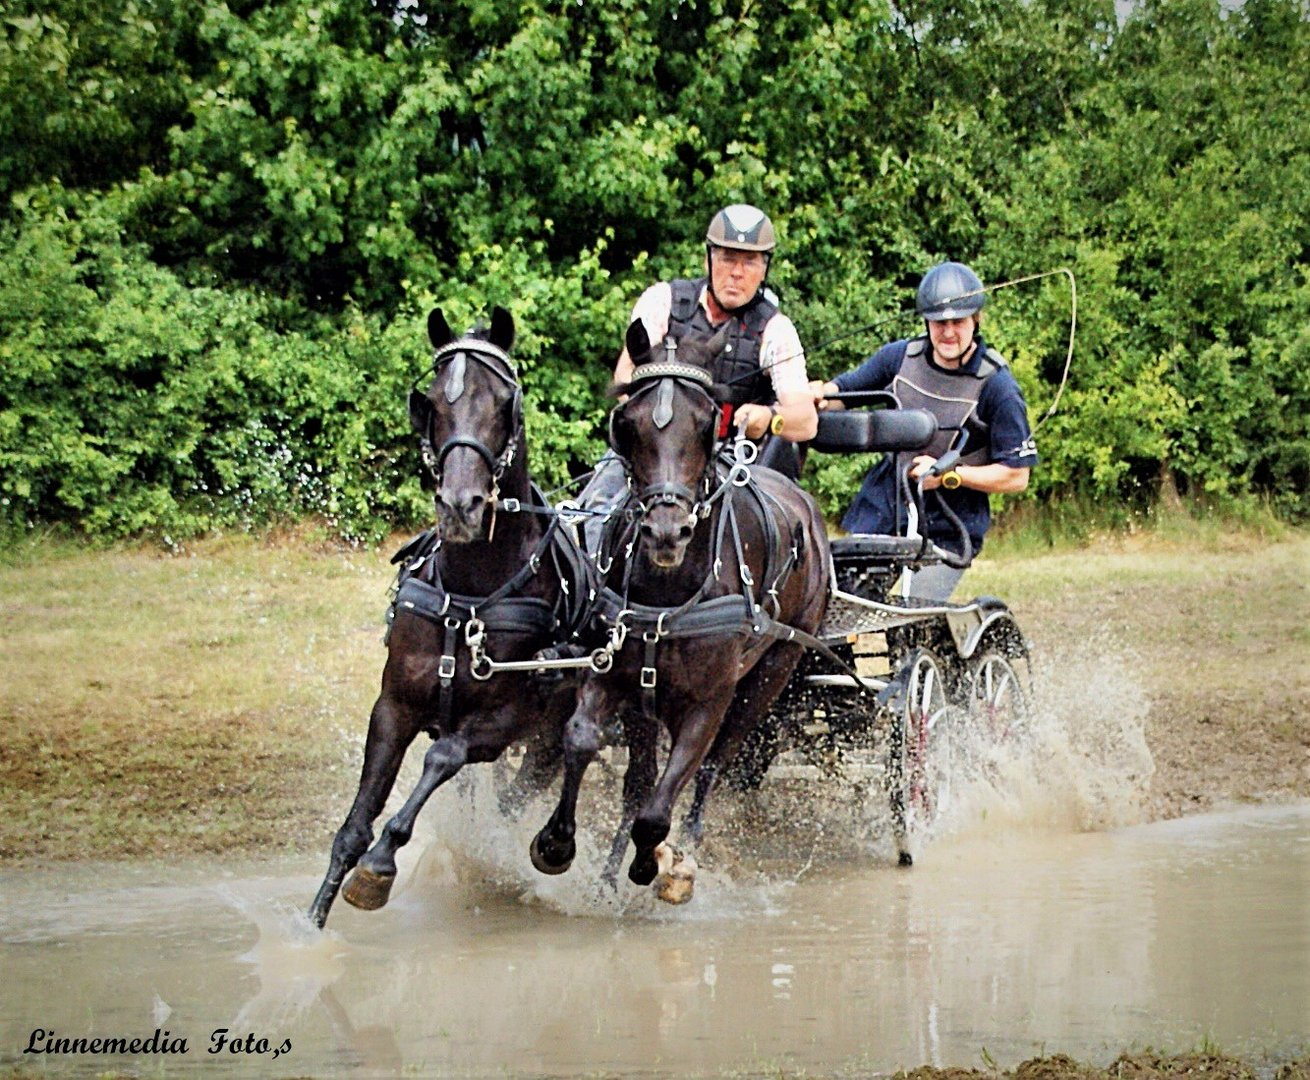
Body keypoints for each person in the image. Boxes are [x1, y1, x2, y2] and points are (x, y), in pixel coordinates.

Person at [576, 204, 817, 550]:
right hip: (653, 451)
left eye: (749, 262)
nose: (737, 272)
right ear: (708, 260)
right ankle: (594, 588)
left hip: (732, 455)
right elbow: (625, 376)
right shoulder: (663, 302)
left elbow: (806, 421)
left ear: (764, 270)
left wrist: (770, 419)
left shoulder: (775, 330)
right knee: (596, 510)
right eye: (727, 259)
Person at [810, 261, 1037, 600]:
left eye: (957, 322)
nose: (948, 332)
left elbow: (1016, 477)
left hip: (951, 517)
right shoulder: (899, 357)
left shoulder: (998, 387)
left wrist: (949, 475)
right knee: (842, 599)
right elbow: (844, 391)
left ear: (976, 320)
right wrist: (818, 396)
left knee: (915, 617)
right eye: (938, 322)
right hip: (886, 501)